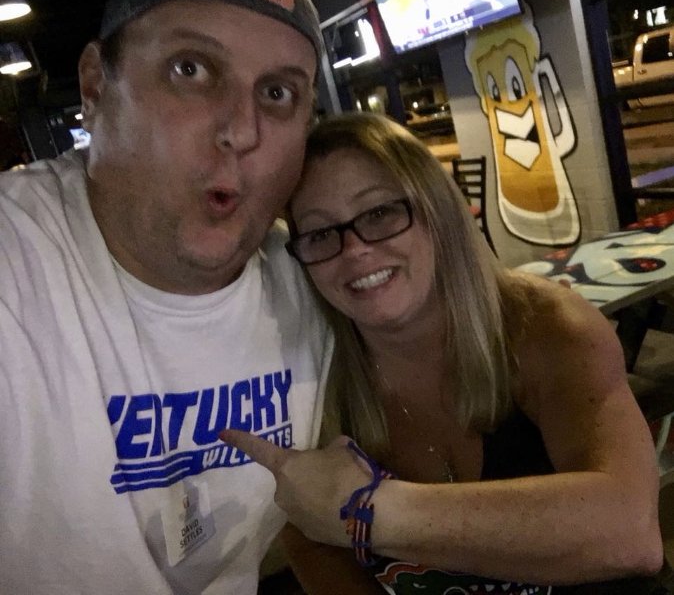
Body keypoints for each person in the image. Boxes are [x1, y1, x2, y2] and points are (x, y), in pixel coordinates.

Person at [221, 112, 664, 594]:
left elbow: (630, 532)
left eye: (379, 213)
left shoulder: (543, 326)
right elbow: (309, 537)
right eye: (320, 234)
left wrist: (367, 511)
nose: (355, 250)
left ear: (437, 213)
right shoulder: (314, 384)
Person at [0, 0, 333, 593]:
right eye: (191, 69)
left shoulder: (321, 278)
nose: (242, 131)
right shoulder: (15, 258)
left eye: (277, 93)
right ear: (95, 86)